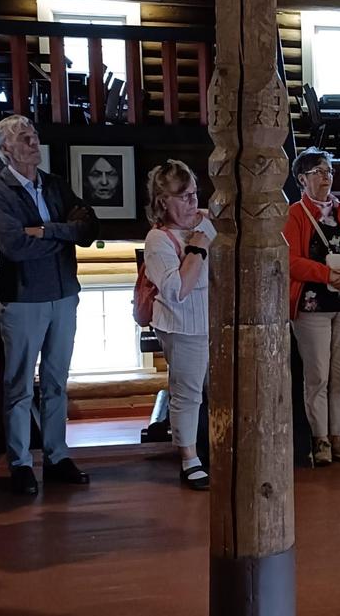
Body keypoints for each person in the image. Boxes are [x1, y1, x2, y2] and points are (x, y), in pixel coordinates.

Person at [0, 115, 99, 496]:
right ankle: (19, 463)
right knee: (19, 386)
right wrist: (63, 237)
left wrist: (47, 231)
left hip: (63, 296)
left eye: (34, 135)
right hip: (23, 300)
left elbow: (87, 229)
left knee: (56, 382)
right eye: (24, 138)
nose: (34, 143)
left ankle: (56, 456)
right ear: (5, 150)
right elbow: (15, 247)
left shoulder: (55, 185)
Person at [283, 148, 340, 467]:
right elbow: (290, 259)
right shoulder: (294, 214)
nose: (326, 177)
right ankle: (319, 438)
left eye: (329, 171)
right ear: (301, 179)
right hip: (312, 304)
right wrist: (327, 275)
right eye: (318, 172)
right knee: (317, 374)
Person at [143, 160, 215, 490]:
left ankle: (214, 448)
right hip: (184, 324)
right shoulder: (158, 240)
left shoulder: (206, 222)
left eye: (194, 194)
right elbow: (177, 291)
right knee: (188, 392)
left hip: (214, 321)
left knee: (216, 391)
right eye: (183, 196)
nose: (192, 202)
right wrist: (197, 248)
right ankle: (189, 459)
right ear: (163, 201)